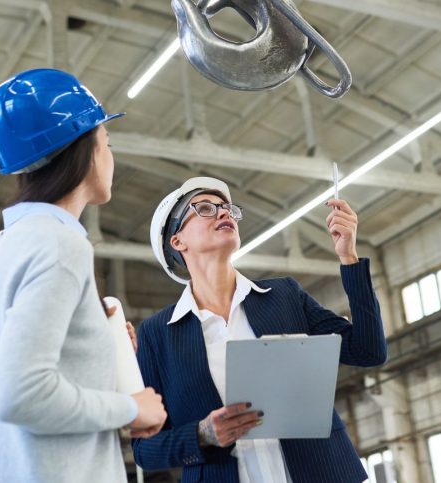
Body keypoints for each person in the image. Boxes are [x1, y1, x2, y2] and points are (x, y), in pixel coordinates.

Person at [0, 68, 166, 483]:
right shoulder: (59, 244)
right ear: (85, 149)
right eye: (107, 143)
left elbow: (16, 383)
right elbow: (21, 395)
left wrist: (100, 348)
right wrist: (131, 408)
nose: (110, 156)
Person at [132, 177, 387, 482]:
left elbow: (368, 350)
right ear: (177, 242)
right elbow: (145, 449)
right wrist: (202, 434)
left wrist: (348, 257)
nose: (224, 212)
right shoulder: (157, 334)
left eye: (227, 208)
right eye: (205, 209)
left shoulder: (285, 296)